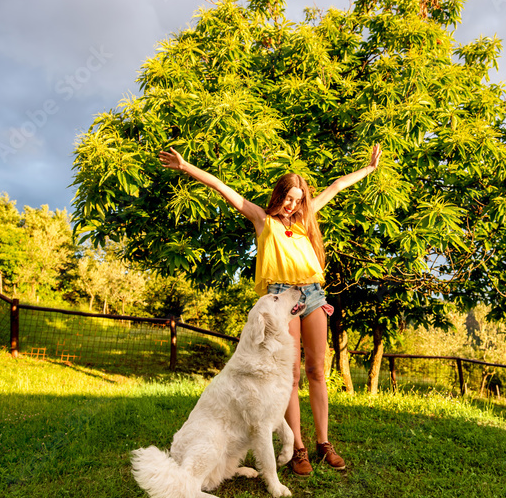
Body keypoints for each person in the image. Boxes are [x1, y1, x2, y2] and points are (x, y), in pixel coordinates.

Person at [158, 145, 381, 475]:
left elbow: (335, 186)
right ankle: (299, 449)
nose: (293, 204)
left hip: (314, 295)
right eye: (288, 198)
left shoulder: (305, 221)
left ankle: (324, 443)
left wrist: (368, 170)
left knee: (317, 370)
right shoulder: (262, 220)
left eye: (298, 199)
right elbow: (221, 187)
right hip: (281, 300)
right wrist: (185, 166)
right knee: (290, 376)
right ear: (279, 196)